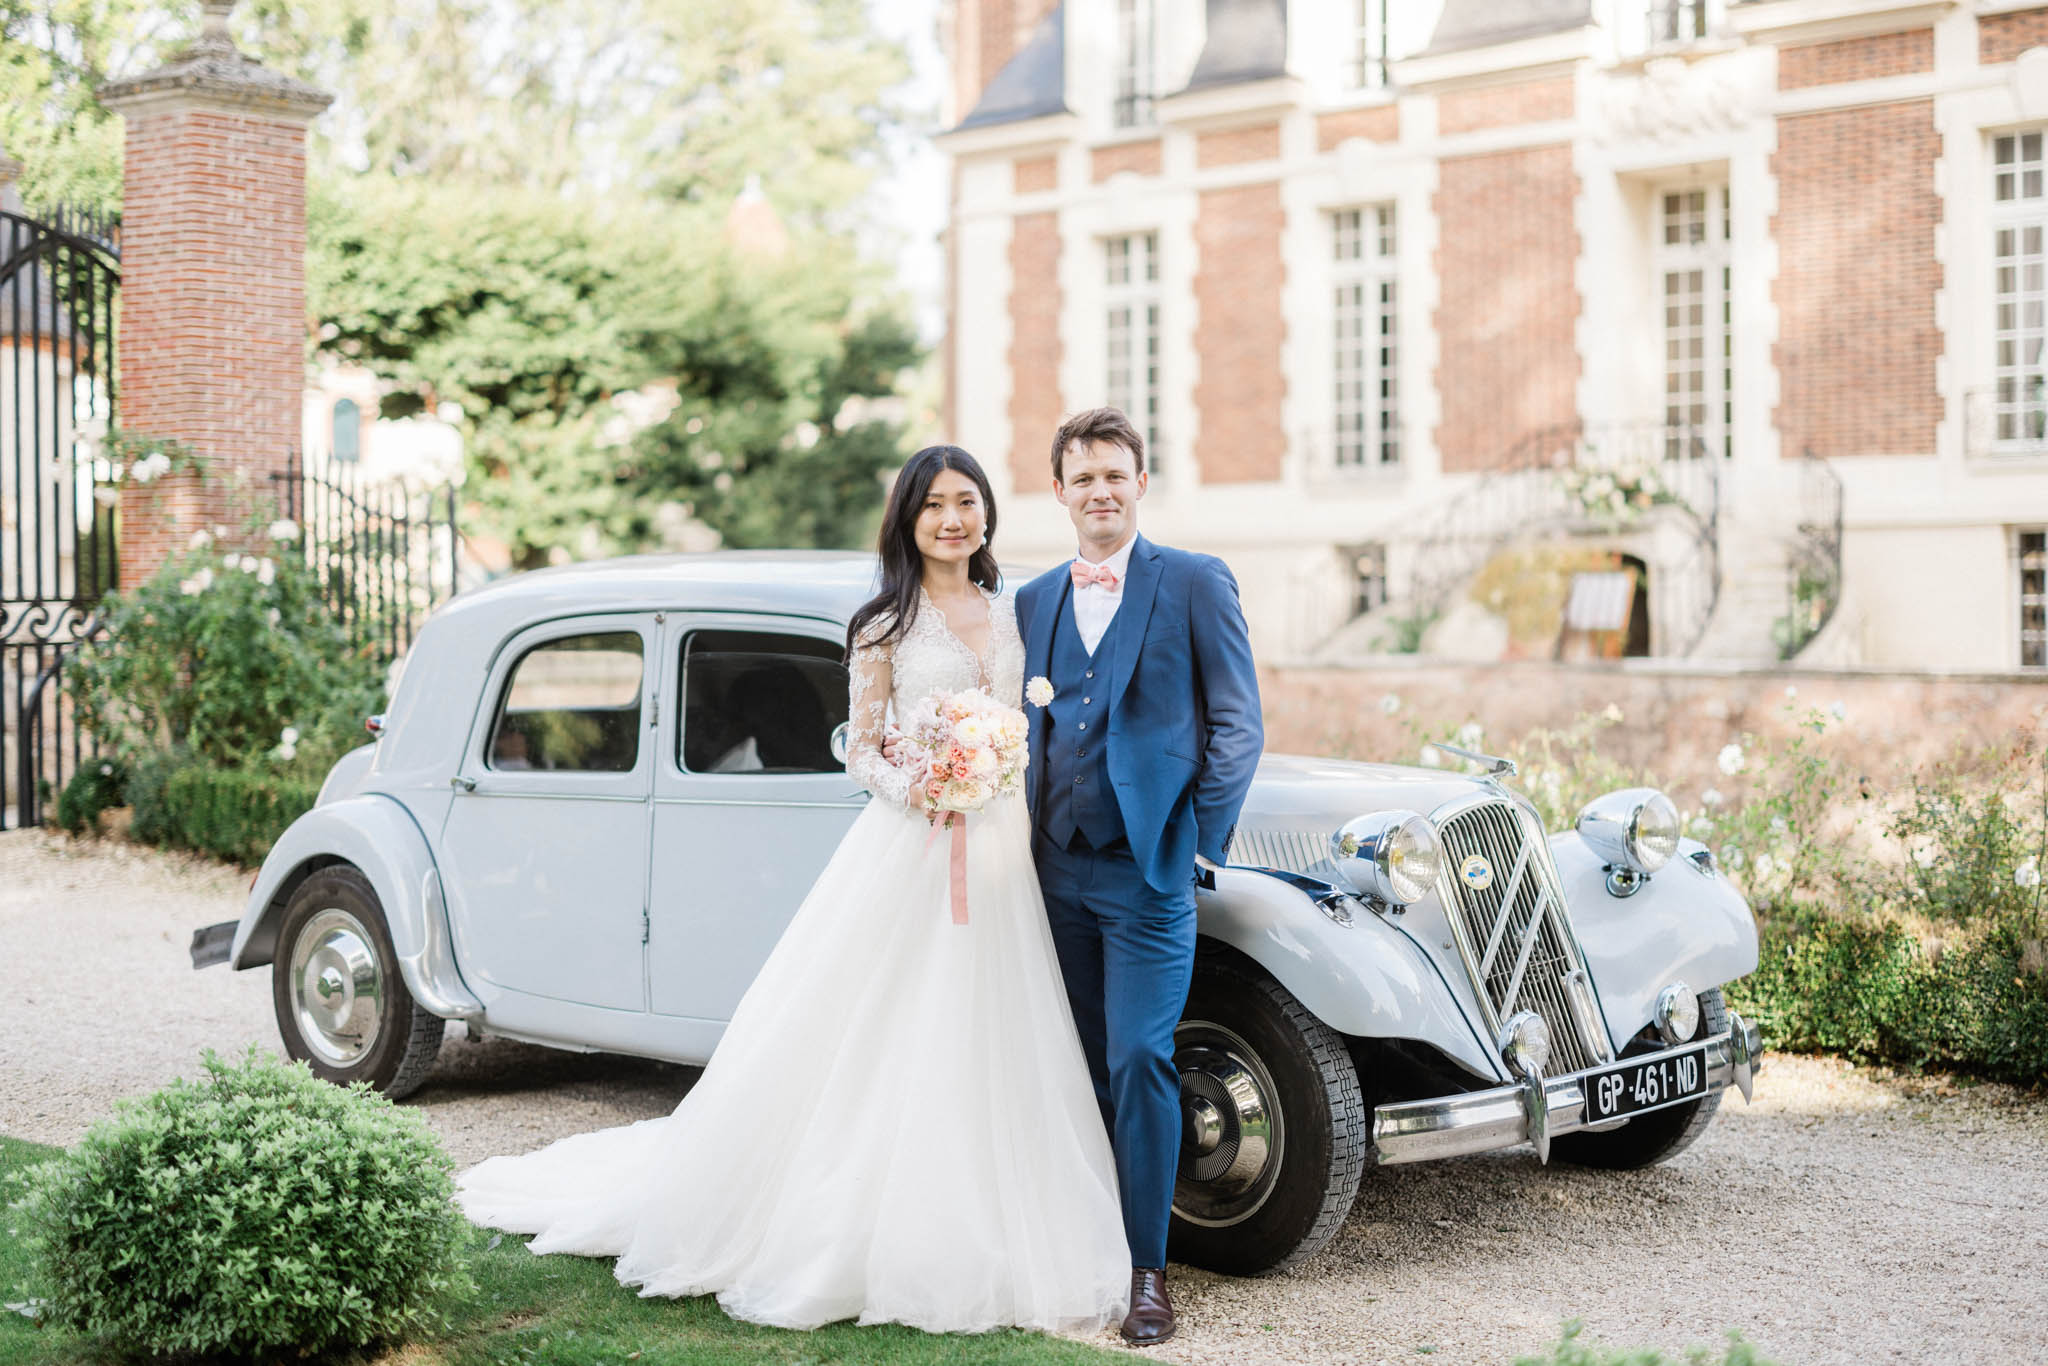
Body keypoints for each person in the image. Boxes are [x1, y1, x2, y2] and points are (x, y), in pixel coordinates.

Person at [455, 445, 1130, 1336]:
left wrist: (990, 769)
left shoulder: (1017, 611)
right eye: (933, 504)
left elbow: (1033, 723)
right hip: (915, 844)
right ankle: (865, 1219)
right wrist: (924, 784)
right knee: (895, 1025)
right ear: (908, 519)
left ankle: (1002, 1213)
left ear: (987, 513)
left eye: (967, 501)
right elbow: (860, 748)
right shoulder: (883, 625)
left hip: (1001, 849)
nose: (952, 519)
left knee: (998, 1026)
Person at [1014, 407, 1263, 1347]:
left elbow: (1238, 724)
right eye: (1083, 478)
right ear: (1060, 492)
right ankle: (1080, 1246)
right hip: (1053, 872)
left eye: (1115, 475)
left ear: (1141, 483)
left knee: (1140, 1059)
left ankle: (1148, 1271)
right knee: (1075, 1063)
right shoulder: (1034, 600)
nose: (1100, 492)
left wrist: (1201, 842)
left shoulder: (1194, 581)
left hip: (1150, 875)